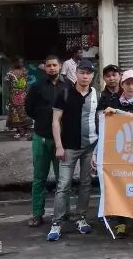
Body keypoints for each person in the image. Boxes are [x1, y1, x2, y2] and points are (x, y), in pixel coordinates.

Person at [97, 69, 133, 239]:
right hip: (120, 150)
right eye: (127, 83)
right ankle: (121, 222)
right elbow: (103, 124)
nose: (131, 86)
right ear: (122, 84)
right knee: (121, 186)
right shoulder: (112, 101)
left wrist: (118, 113)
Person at [47, 60, 99, 241]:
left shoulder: (96, 94)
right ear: (76, 73)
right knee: (63, 186)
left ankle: (81, 218)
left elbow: (98, 120)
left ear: (93, 75)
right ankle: (57, 222)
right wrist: (59, 146)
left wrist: (97, 150)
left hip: (90, 146)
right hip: (68, 147)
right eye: (82, 72)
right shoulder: (65, 93)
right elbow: (55, 121)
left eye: (89, 73)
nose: (85, 76)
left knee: (86, 184)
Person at [25, 55, 68, 228]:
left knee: (62, 180)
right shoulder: (37, 86)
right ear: (45, 67)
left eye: (54, 65)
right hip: (41, 137)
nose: (52, 68)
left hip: (62, 141)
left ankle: (63, 213)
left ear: (60, 66)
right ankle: (37, 214)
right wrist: (43, 119)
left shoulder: (68, 85)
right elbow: (29, 108)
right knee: (39, 179)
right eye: (49, 65)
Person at [5, 55, 33, 140]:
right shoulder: (10, 73)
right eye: (19, 62)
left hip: (23, 96)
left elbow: (27, 84)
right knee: (15, 114)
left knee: (25, 113)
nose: (21, 63)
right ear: (14, 62)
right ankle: (17, 131)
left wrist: (28, 95)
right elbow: (8, 86)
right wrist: (8, 97)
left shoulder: (25, 71)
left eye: (22, 62)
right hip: (13, 97)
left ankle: (26, 131)